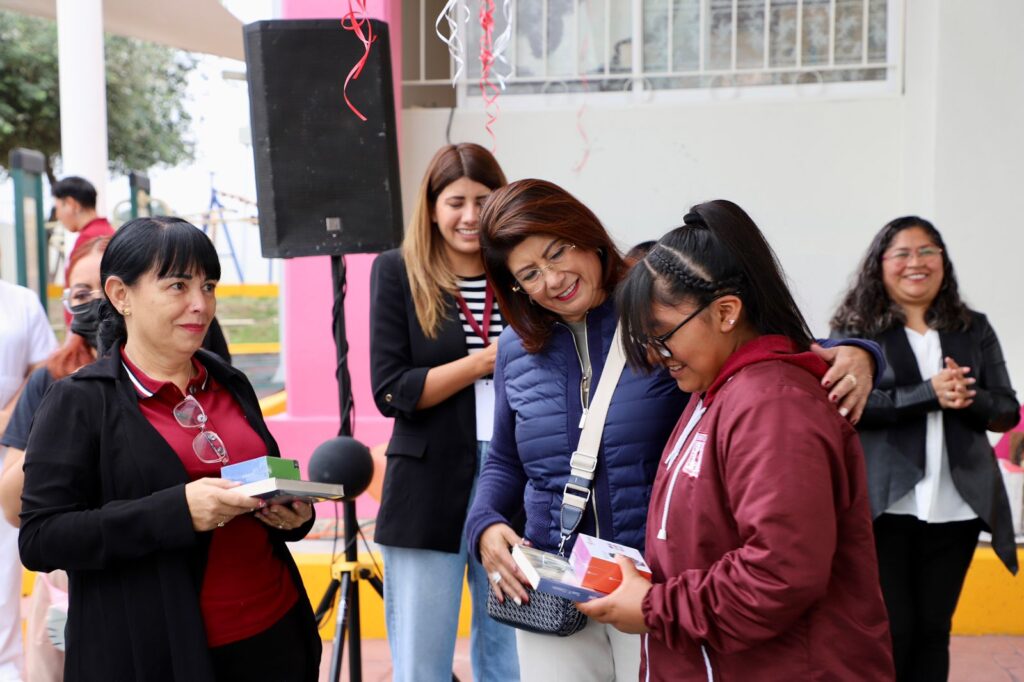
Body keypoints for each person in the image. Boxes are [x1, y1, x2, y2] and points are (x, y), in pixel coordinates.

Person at [465, 180, 883, 681]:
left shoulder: (658, 310)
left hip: (653, 586)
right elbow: (506, 460)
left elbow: (757, 344)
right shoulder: (517, 349)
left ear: (586, 235)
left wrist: (863, 353)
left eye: (558, 253)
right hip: (554, 587)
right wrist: (485, 523)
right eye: (529, 274)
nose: (552, 280)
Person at [576, 201, 894, 679]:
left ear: (726, 312)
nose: (658, 356)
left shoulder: (773, 406)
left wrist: (656, 606)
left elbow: (779, 572)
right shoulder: (716, 390)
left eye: (662, 335)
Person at [18, 217, 322, 682]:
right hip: (160, 652)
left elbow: (267, 469)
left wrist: (295, 515)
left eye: (209, 285)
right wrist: (176, 511)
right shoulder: (79, 400)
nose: (199, 305)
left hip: (274, 629)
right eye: (178, 285)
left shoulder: (226, 379)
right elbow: (42, 538)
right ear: (121, 295)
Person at [831, 216, 1019, 680]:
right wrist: (926, 393)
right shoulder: (856, 329)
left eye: (927, 251)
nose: (916, 262)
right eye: (902, 253)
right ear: (881, 265)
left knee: (935, 628)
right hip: (886, 503)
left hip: (958, 504)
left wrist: (967, 397)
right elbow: (848, 405)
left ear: (943, 261)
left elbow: (1008, 410)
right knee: (895, 628)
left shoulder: (973, 327)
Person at [368, 143, 519, 682]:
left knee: (511, 655)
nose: (470, 216)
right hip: (427, 482)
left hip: (515, 477)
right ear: (431, 207)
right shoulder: (397, 271)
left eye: (484, 200)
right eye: (456, 201)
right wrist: (482, 362)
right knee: (421, 660)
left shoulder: (520, 271)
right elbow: (390, 390)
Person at [0, 236, 108, 681]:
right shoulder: (56, 380)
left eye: (106, 288)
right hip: (66, 584)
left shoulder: (187, 374)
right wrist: (61, 430)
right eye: (80, 294)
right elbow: (12, 504)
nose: (96, 304)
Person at [0, 276, 57, 682]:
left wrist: (7, 420)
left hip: (12, 452)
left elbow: (44, 368)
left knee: (5, 573)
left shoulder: (20, 302)